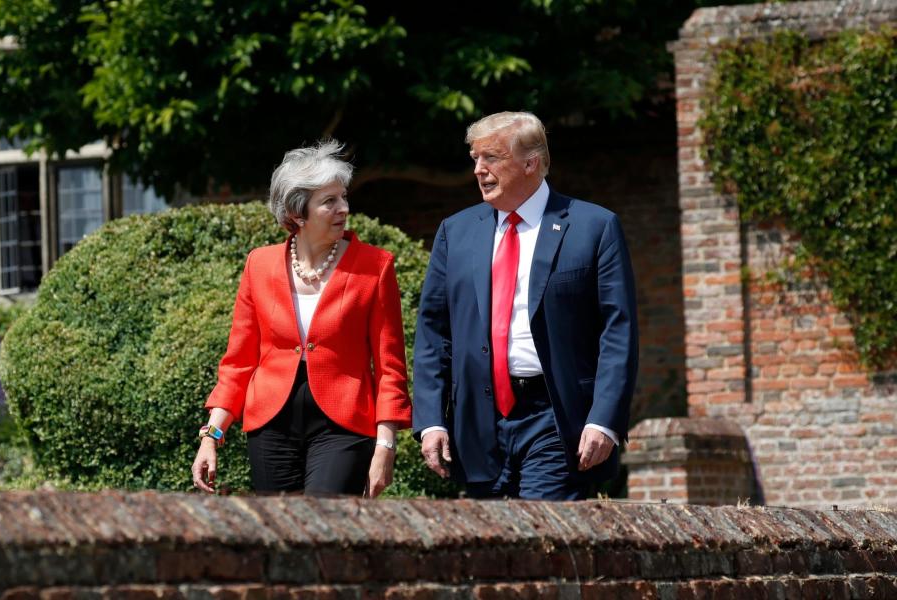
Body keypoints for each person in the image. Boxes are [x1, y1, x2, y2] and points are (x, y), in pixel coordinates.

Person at [413, 112, 638, 500]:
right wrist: (431, 420)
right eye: (475, 159)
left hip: (554, 416)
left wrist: (604, 420)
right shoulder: (457, 231)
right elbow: (434, 333)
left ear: (530, 162)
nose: (479, 170)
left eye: (491, 158)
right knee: (493, 548)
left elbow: (618, 332)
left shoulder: (593, 227)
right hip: (478, 422)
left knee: (542, 538)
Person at [192, 140, 411, 497]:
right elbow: (239, 362)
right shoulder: (259, 265)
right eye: (329, 201)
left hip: (344, 423)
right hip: (271, 422)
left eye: (343, 197)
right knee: (282, 533)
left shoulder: (375, 266)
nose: (344, 208)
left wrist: (385, 446)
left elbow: (390, 369)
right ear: (297, 214)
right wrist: (211, 436)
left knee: (326, 527)